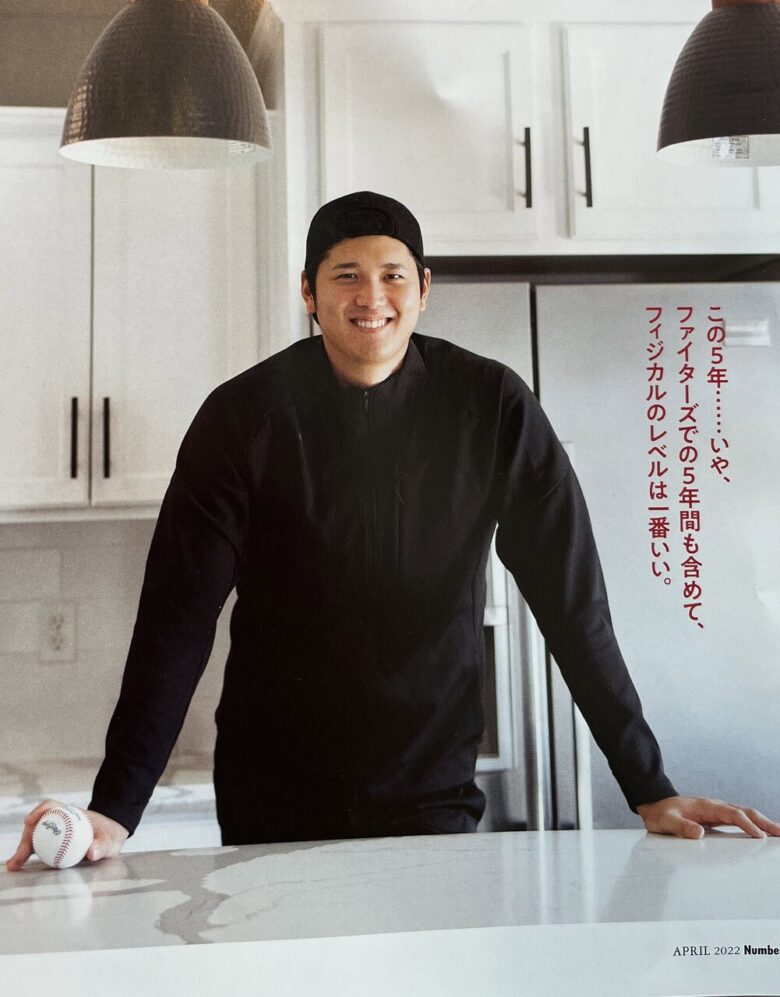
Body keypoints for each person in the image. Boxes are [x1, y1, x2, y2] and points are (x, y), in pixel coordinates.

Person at [7, 191, 779, 871]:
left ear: (424, 289)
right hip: (271, 799)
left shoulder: (492, 407)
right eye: (345, 274)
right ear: (308, 292)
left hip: (429, 795)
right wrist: (115, 808)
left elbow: (574, 607)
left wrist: (649, 786)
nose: (370, 296)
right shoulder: (241, 420)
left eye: (393, 274)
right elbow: (177, 618)